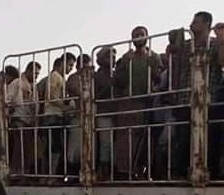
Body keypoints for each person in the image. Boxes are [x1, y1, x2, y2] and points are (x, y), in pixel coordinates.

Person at [169, 12, 224, 179]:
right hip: (185, 98)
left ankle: (210, 173)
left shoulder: (215, 44)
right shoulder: (186, 45)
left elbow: (222, 63)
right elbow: (174, 60)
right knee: (183, 139)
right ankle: (180, 174)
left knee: (210, 139)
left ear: (207, 24)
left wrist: (222, 42)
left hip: (210, 98)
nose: (192, 24)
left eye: (196, 22)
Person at [114, 26, 162, 180]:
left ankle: (140, 171)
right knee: (125, 138)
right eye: (135, 35)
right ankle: (123, 171)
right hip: (128, 102)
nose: (138, 37)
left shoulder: (154, 57)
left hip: (147, 102)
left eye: (141, 34)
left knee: (144, 137)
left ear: (147, 37)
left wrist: (152, 66)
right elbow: (117, 81)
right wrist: (124, 65)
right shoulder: (127, 58)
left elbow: (159, 78)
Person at [40, 53, 76, 178]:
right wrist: (65, 106)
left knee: (51, 147)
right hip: (52, 115)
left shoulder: (60, 78)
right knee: (55, 147)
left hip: (56, 115)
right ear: (63, 62)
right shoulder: (55, 76)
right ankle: (50, 176)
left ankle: (47, 176)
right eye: (70, 65)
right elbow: (50, 96)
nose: (71, 68)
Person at [8, 62, 41, 175]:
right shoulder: (17, 82)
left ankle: (24, 172)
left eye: (38, 74)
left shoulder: (33, 86)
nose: (36, 76)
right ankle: (16, 172)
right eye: (35, 73)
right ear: (28, 71)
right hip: (19, 118)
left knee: (27, 149)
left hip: (29, 120)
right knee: (19, 147)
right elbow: (8, 99)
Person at [94, 46, 117, 179]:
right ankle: (104, 172)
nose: (113, 59)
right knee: (105, 144)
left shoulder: (114, 74)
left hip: (114, 112)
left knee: (112, 144)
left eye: (114, 56)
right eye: (109, 56)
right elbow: (96, 95)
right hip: (103, 112)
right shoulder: (98, 76)